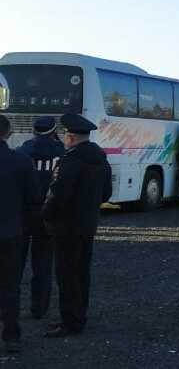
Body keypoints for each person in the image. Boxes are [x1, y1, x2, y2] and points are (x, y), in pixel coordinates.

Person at [42, 113, 112, 338]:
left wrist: (46, 214)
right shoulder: (100, 158)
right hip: (88, 224)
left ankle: (70, 322)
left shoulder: (71, 160)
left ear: (71, 137)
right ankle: (79, 315)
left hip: (66, 227)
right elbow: (107, 193)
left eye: (65, 135)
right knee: (82, 272)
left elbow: (58, 193)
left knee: (66, 274)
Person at [16, 116, 63, 319]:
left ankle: (9, 307)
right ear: (54, 131)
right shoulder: (61, 152)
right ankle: (39, 309)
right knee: (43, 265)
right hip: (48, 214)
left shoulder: (23, 151)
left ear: (34, 131)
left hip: (23, 214)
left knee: (14, 266)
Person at [0, 114, 36, 353]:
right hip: (10, 233)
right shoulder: (21, 161)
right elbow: (33, 199)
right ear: (8, 133)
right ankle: (11, 336)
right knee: (10, 286)